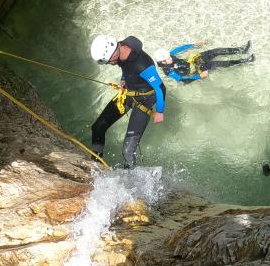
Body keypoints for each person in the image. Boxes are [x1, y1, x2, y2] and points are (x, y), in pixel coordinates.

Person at [89, 35, 166, 167]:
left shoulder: (143, 65)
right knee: (98, 127)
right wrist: (124, 80)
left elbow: (160, 88)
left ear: (113, 55)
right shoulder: (120, 49)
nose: (109, 64)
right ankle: (95, 164)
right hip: (128, 94)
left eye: (108, 62)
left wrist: (160, 111)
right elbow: (126, 67)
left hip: (144, 100)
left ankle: (130, 181)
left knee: (128, 151)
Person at [153, 40, 254, 83]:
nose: (170, 56)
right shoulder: (169, 72)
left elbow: (180, 49)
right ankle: (245, 61)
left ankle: (242, 49)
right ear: (164, 62)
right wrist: (199, 76)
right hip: (195, 71)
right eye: (168, 58)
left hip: (193, 61)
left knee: (216, 51)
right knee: (218, 63)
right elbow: (182, 79)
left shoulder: (168, 56)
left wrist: (194, 45)